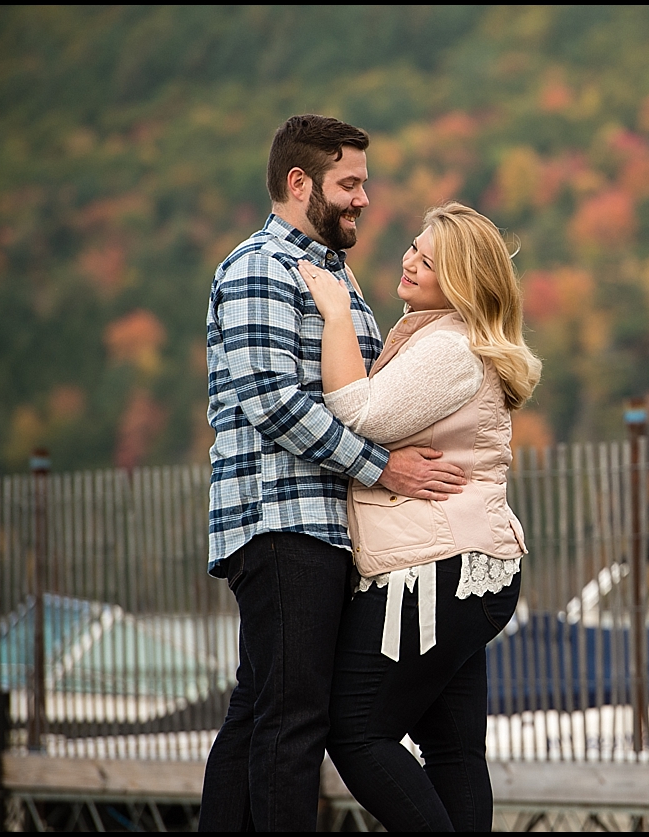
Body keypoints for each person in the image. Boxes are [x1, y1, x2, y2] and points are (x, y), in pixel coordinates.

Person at [200, 115, 467, 831]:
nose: (363, 200)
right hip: (281, 520)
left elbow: (368, 400)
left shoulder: (331, 276)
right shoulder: (261, 267)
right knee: (293, 723)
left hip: (317, 526)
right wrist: (386, 471)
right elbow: (275, 404)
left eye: (364, 184)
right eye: (349, 183)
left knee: (259, 710)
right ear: (299, 183)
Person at [296, 200, 541, 831]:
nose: (409, 262)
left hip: (436, 570)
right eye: (411, 246)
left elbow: (358, 411)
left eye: (427, 261)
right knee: (453, 750)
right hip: (465, 566)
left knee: (356, 732)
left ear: (458, 282)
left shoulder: (451, 347)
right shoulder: (445, 340)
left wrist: (335, 311)